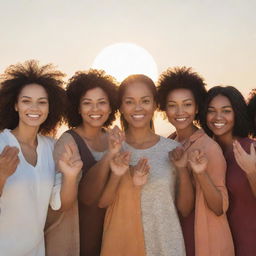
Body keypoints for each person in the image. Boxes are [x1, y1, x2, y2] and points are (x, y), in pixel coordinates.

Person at [0, 60, 82, 256]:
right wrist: (1, 175)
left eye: (42, 102)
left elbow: (62, 205)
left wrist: (70, 177)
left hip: (35, 251)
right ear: (16, 105)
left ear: (49, 107)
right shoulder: (1, 143)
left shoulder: (52, 147)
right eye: (26, 101)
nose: (34, 108)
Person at [100, 74, 185, 256]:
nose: (138, 108)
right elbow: (103, 202)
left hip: (166, 244)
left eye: (145, 101)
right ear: (121, 107)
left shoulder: (173, 149)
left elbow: (184, 208)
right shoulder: (114, 148)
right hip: (124, 245)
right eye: (130, 102)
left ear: (155, 104)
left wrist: (183, 168)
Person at [157, 67, 234, 256]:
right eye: (173, 105)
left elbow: (219, 207)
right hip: (178, 239)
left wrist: (199, 172)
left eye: (187, 104)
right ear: (164, 109)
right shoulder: (168, 144)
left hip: (207, 243)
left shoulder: (209, 148)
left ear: (197, 107)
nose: (180, 111)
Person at [45, 69, 119, 256]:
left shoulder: (115, 138)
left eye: (102, 103)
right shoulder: (68, 142)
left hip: (110, 235)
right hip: (76, 237)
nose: (95, 109)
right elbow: (74, 198)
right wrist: (110, 156)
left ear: (110, 107)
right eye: (87, 103)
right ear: (78, 108)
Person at [200, 85, 256, 256]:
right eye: (212, 111)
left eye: (226, 111)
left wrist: (252, 172)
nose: (218, 117)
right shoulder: (207, 151)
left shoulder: (252, 149)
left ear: (236, 113)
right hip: (221, 244)